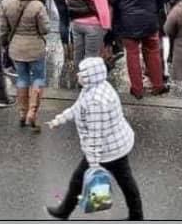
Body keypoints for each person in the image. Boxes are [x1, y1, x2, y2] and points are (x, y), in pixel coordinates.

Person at [45, 57, 143, 221]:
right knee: (126, 182)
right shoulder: (96, 87)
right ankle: (136, 216)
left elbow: (96, 135)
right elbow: (78, 107)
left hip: (108, 150)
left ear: (91, 76)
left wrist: (94, 164)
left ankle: (63, 212)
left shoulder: (96, 102)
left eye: (81, 73)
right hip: (116, 145)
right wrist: (59, 120)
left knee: (80, 178)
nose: (77, 75)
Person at [111, 0, 170, 99]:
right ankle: (158, 85)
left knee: (132, 54)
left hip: (128, 22)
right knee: (153, 51)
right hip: (150, 20)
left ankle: (137, 89)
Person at [0, 0, 50, 130]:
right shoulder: (38, 6)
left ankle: (22, 112)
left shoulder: (6, 3)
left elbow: (2, 29)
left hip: (16, 47)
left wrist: (4, 43)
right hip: (35, 47)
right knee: (38, 77)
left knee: (22, 78)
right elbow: (45, 29)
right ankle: (33, 112)